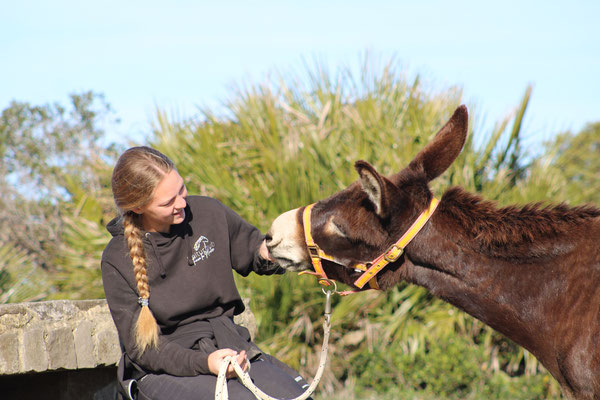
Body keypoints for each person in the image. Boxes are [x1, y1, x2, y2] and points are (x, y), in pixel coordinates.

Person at [101, 146, 311, 400]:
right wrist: (205, 363)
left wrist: (283, 248)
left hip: (229, 346)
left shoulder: (209, 212)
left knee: (299, 396)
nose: (181, 203)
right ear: (138, 207)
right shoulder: (116, 258)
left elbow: (253, 251)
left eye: (181, 189)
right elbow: (143, 350)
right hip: (164, 368)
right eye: (168, 201)